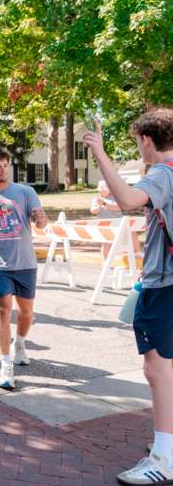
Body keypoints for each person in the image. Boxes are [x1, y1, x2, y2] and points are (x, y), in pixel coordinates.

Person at [83, 110, 173, 485]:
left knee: (158, 369)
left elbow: (127, 200)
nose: (139, 149)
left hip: (164, 285)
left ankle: (164, 458)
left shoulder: (162, 174)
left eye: (138, 142)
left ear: (146, 141)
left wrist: (101, 154)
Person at [0, 148, 47, 390]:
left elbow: (41, 224)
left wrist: (42, 219)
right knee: (2, 311)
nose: (2, 170)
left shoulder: (26, 192)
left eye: (5, 165)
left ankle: (20, 343)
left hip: (25, 263)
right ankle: (6, 367)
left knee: (26, 313)